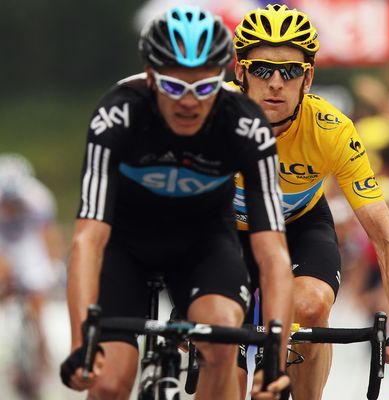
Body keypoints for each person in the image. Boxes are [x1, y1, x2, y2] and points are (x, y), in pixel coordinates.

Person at [59, 5, 294, 400]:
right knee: (109, 382)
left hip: (201, 244)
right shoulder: (118, 113)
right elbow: (87, 240)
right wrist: (80, 344)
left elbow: (273, 255)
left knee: (221, 340)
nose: (188, 102)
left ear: (221, 80)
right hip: (124, 246)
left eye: (203, 88)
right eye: (173, 87)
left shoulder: (245, 124)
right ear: (150, 76)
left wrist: (275, 361)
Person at [231, 4, 389, 400]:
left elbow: (386, 236)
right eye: (261, 69)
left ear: (307, 78)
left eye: (288, 71)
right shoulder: (211, 119)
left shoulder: (332, 130)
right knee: (221, 342)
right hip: (229, 232)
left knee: (310, 306)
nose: (275, 82)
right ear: (240, 72)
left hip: (300, 225)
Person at [0, 153, 63, 397]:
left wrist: (54, 267)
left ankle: (42, 352)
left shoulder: (38, 197)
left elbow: (48, 236)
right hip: (5, 240)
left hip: (27, 242)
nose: (11, 206)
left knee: (37, 296)